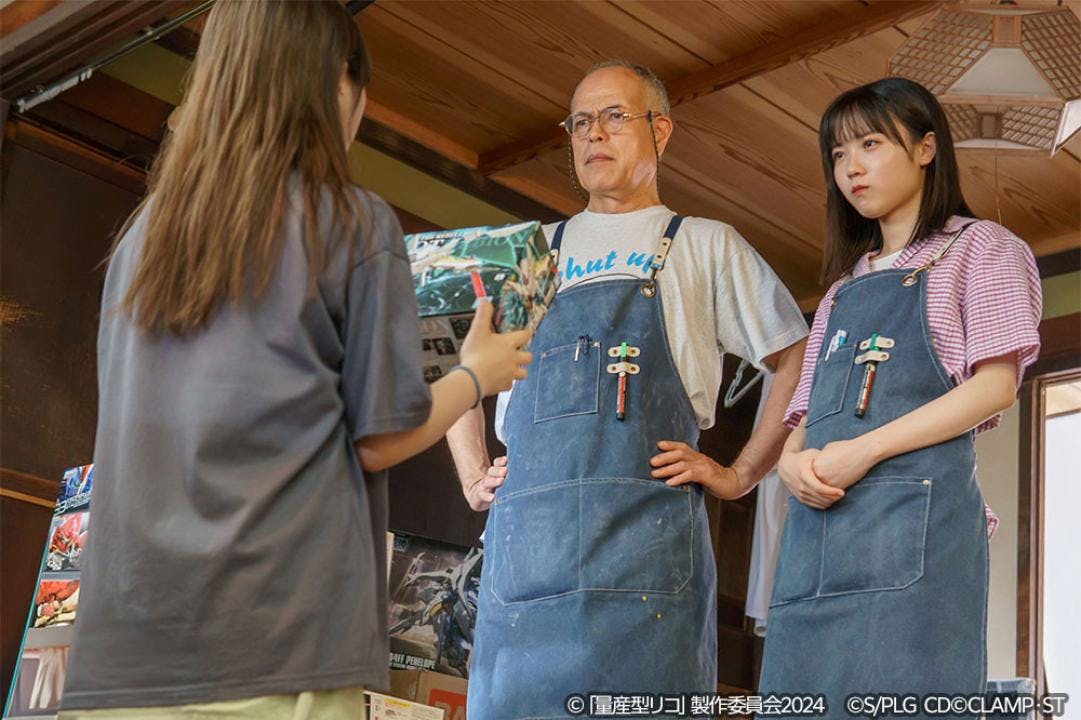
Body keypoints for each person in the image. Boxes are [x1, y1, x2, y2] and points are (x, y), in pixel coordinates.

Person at [58, 2, 530, 718]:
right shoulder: (349, 222)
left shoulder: (142, 238)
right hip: (274, 643)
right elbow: (379, 439)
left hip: (121, 653)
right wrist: (476, 375)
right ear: (338, 81)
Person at [446, 60, 810, 720]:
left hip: (646, 574)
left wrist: (741, 474)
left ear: (659, 131)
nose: (594, 134)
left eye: (614, 117)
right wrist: (472, 471)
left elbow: (796, 357)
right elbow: (456, 368)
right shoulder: (532, 255)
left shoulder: (703, 245)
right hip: (526, 569)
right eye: (580, 122)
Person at [759, 77, 1042, 714]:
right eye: (837, 154)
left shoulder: (983, 249)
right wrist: (788, 464)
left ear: (925, 148)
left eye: (870, 144)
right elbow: (805, 416)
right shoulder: (840, 292)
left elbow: (994, 386)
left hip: (914, 543)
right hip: (817, 546)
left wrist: (864, 450)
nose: (850, 168)